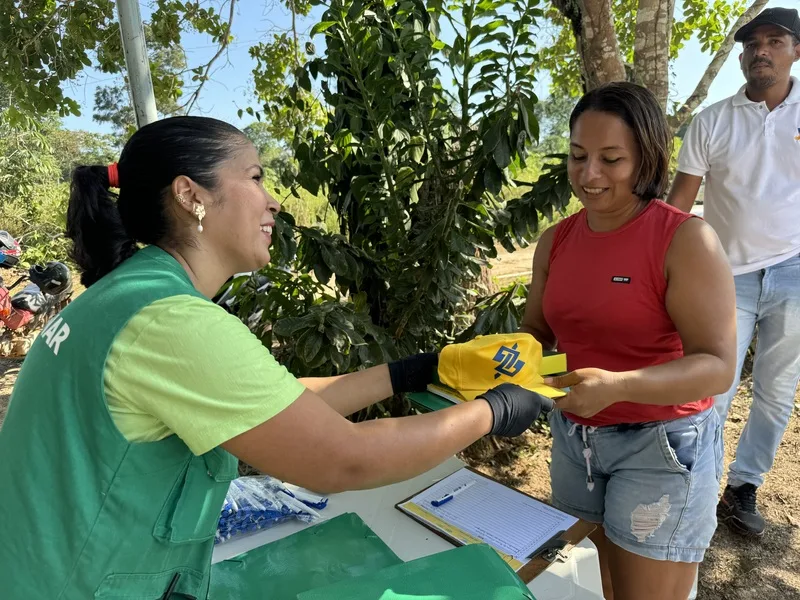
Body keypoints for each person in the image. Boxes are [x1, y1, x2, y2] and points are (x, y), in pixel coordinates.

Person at [0, 116, 551, 599]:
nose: (275, 200)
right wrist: (496, 410)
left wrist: (418, 369)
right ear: (192, 195)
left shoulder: (129, 295)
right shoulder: (170, 321)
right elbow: (342, 459)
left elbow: (280, 405)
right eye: (257, 176)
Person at [520, 83, 736, 600]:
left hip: (661, 444)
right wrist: (499, 360)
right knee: (603, 582)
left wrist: (617, 385)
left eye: (611, 159)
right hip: (576, 442)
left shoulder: (685, 240)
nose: (589, 174)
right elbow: (536, 332)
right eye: (578, 156)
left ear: (647, 160)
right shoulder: (558, 240)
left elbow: (718, 366)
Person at [667, 7, 800, 538]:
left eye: (774, 41)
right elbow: (679, 204)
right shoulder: (712, 121)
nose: (759, 51)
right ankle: (692, 483)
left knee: (775, 389)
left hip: (795, 271)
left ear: (795, 51)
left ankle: (743, 489)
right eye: (751, 44)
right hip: (726, 275)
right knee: (712, 384)